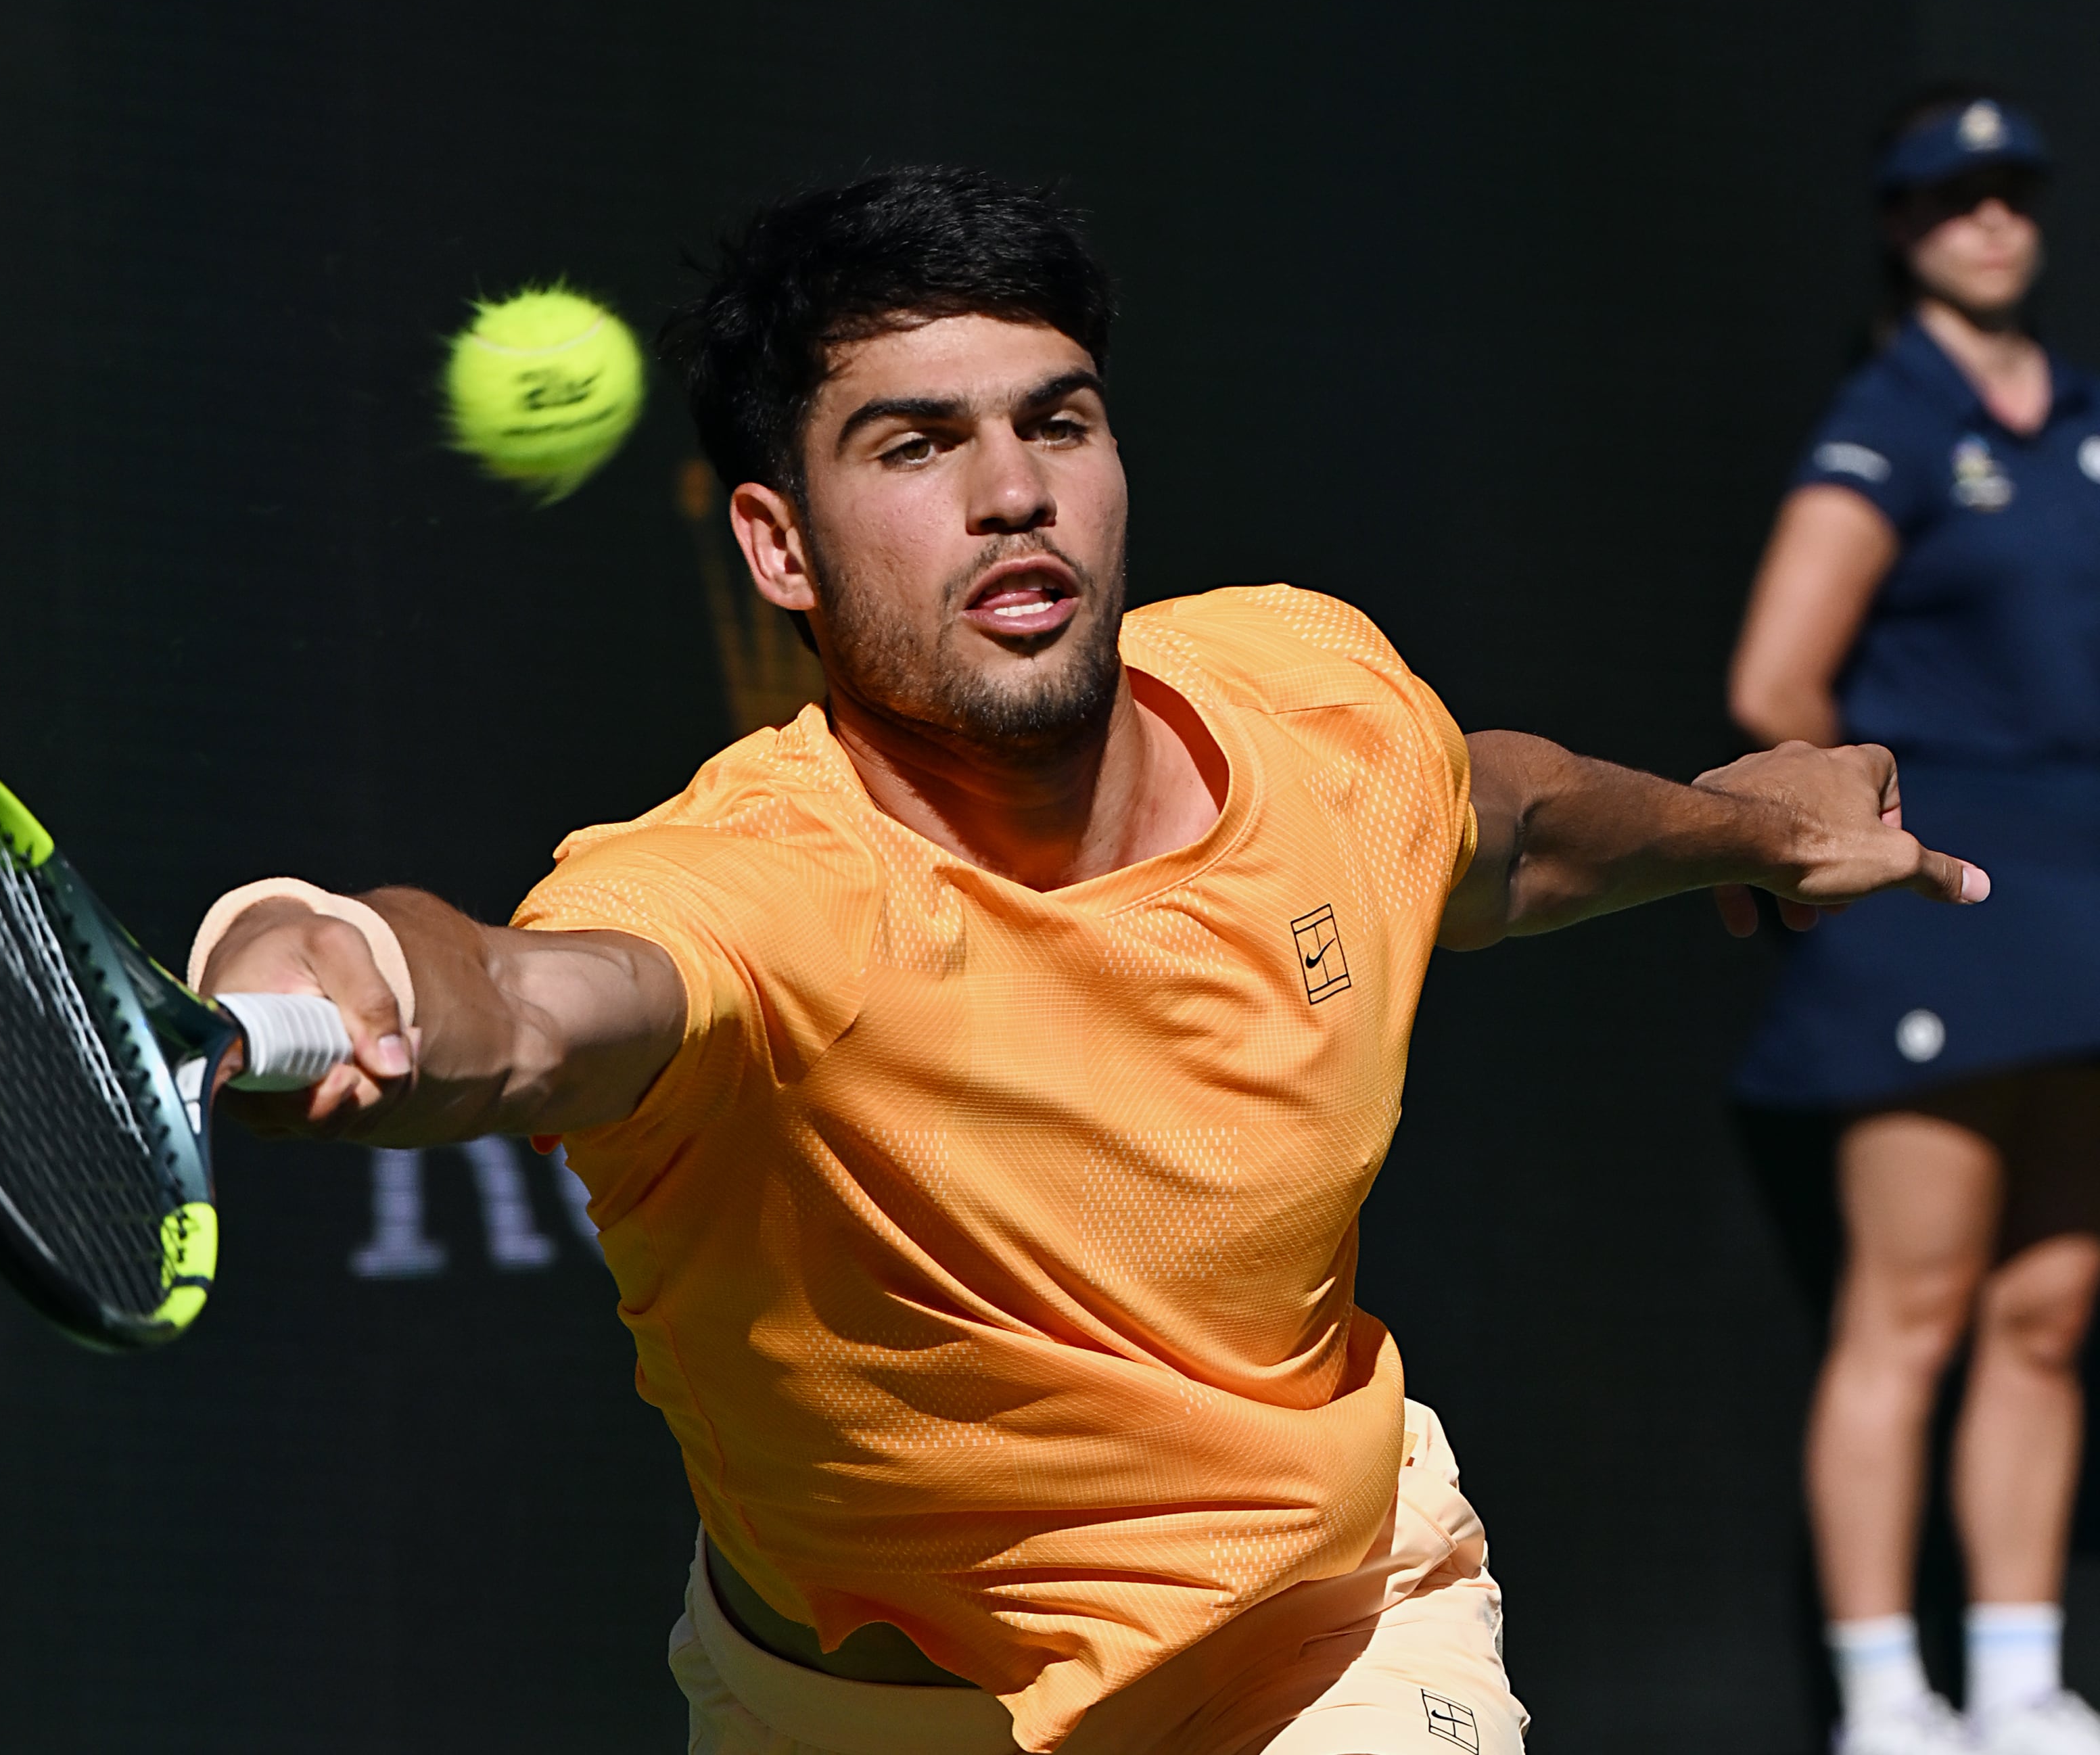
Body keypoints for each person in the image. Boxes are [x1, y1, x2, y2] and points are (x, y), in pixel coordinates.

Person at [195, 166, 1982, 1755]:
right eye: (912, 447)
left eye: (1057, 423)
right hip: (856, 1708)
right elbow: (521, 1007)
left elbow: (1500, 827)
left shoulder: (1314, 691)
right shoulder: (748, 894)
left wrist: (1755, 824)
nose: (1010, 495)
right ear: (777, 546)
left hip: (1322, 1646)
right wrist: (336, 953)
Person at [1728, 89, 2100, 1755]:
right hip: (1942, 909)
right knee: (1916, 1304)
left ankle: (2018, 1682)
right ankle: (1891, 1700)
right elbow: (1772, 678)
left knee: (2050, 1308)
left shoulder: (2083, 421)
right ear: (1904, 229)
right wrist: (1867, 838)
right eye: (1954, 200)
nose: (1990, 222)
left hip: (2082, 908)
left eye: (2011, 192)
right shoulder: (1887, 417)